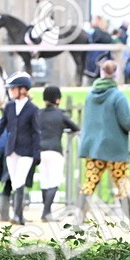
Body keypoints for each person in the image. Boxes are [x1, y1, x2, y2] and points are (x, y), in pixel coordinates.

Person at [78, 59, 130, 225]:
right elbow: (127, 122)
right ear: (116, 74)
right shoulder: (118, 96)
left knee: (90, 182)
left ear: (101, 73)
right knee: (122, 182)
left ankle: (79, 218)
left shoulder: (90, 96)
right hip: (114, 149)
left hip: (94, 150)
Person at [0, 72, 41, 225]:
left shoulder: (32, 109)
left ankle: (18, 215)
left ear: (23, 90)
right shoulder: (9, 107)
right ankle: (18, 215)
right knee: (15, 180)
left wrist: (37, 152)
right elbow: (1, 125)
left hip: (26, 150)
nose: (10, 92)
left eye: (13, 89)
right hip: (11, 150)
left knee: (19, 180)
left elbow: (36, 132)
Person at [37, 85, 79, 221]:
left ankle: (46, 211)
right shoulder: (60, 115)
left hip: (40, 151)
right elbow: (75, 128)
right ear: (57, 99)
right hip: (55, 150)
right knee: (54, 182)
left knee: (44, 181)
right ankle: (46, 212)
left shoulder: (38, 114)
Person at [86, 15, 116, 85]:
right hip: (104, 58)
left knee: (94, 79)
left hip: (96, 58)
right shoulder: (105, 33)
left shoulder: (97, 32)